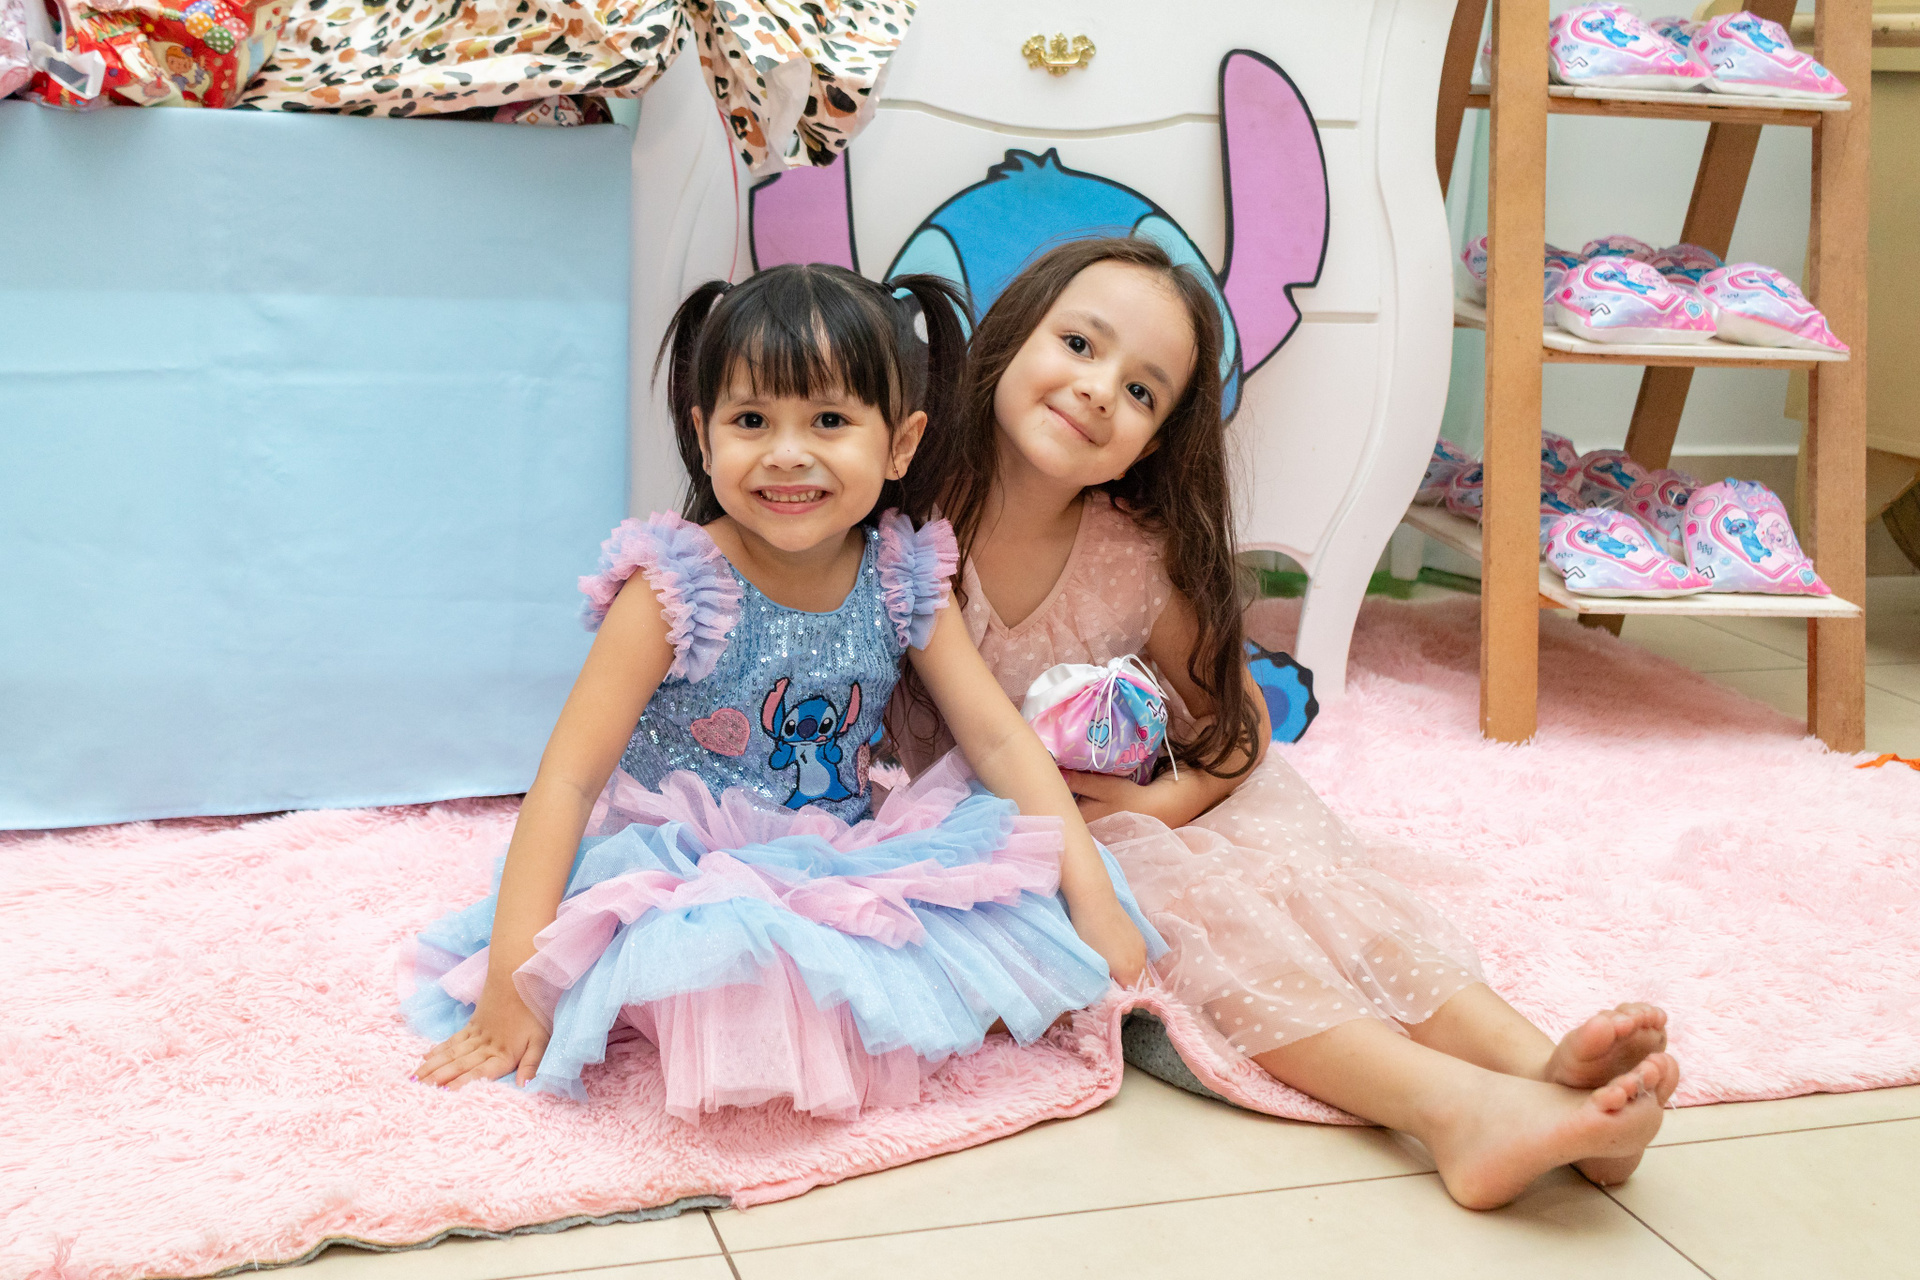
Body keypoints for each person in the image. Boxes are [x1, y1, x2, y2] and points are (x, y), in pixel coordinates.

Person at [891, 237, 1679, 1209]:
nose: (1098, 391)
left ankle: (1541, 1066)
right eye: (1080, 344)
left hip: (1114, 809)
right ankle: (1451, 1109)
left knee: (1294, 856)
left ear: (1157, 440)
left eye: (1141, 391)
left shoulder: (1131, 553)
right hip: (986, 836)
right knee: (1204, 910)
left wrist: (1169, 800)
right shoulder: (911, 520)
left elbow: (1240, 727)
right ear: (1010, 336)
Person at [408, 263, 1160, 1123]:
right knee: (743, 962)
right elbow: (570, 781)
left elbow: (996, 739)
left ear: (901, 444)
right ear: (704, 435)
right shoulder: (674, 586)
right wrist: (514, 984)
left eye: (830, 421)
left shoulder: (902, 573)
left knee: (1011, 895)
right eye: (752, 420)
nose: (787, 452)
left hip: (838, 852)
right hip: (687, 875)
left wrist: (1092, 898)